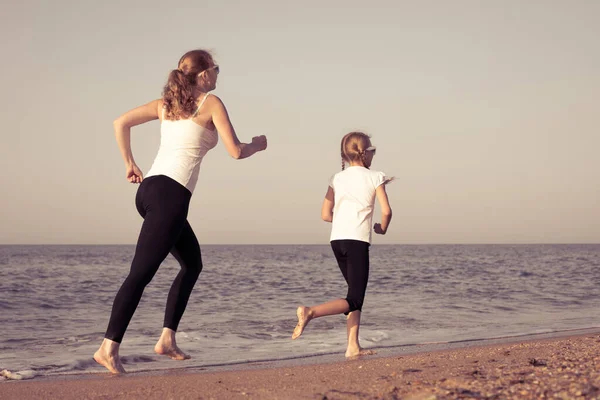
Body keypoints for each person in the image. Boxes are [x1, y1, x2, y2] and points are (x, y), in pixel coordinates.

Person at [94, 49, 267, 374]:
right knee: (140, 275)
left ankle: (167, 339)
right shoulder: (210, 103)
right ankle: (108, 347)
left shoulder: (166, 104)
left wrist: (129, 163)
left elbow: (121, 123)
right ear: (204, 74)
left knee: (192, 263)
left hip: (151, 193)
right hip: (170, 197)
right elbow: (235, 151)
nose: (218, 74)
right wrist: (258, 144)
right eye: (217, 68)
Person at [291, 131, 392, 358]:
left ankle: (352, 346)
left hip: (337, 240)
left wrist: (344, 217)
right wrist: (381, 229)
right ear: (365, 154)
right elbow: (387, 211)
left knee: (353, 295)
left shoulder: (336, 178)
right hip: (357, 240)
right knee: (355, 298)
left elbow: (326, 214)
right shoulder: (375, 176)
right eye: (372, 151)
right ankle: (310, 312)